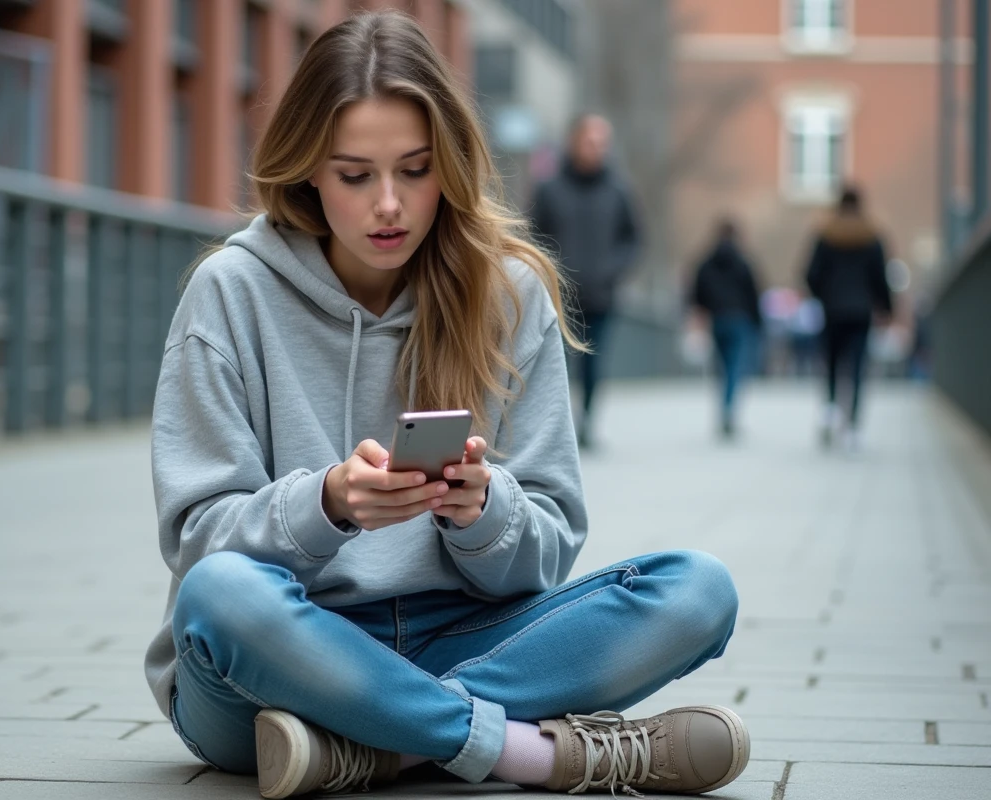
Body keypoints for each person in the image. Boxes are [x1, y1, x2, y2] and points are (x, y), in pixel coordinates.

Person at [144, 11, 748, 799]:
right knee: (220, 596)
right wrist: (326, 504)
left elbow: (550, 541)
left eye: (416, 170)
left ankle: (375, 748)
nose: (389, 204)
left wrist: (484, 510)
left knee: (700, 591)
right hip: (280, 661)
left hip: (456, 640)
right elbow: (197, 542)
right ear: (309, 172)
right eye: (355, 174)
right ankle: (533, 755)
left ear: (451, 166)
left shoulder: (509, 292)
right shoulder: (230, 292)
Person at [531, 114, 642, 450]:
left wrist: (612, 270)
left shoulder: (618, 191)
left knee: (595, 365)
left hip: (601, 297)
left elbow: (633, 239)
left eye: (602, 142)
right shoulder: (549, 189)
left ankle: (588, 423)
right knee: (556, 365)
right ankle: (555, 430)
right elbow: (532, 236)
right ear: (574, 141)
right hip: (557, 297)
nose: (597, 148)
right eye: (591, 140)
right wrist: (549, 271)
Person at [804, 185, 893, 451]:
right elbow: (880, 277)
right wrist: (886, 309)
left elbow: (811, 274)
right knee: (856, 367)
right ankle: (853, 425)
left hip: (832, 310)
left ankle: (830, 410)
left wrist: (823, 296)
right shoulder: (871, 236)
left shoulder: (825, 235)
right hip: (861, 311)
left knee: (831, 362)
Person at [689, 219, 762, 439]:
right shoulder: (743, 262)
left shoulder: (706, 262)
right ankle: (728, 410)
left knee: (722, 366)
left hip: (717, 319)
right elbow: (753, 294)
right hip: (739, 319)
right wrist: (757, 323)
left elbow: (697, 291)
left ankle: (725, 408)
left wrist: (701, 311)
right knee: (734, 367)